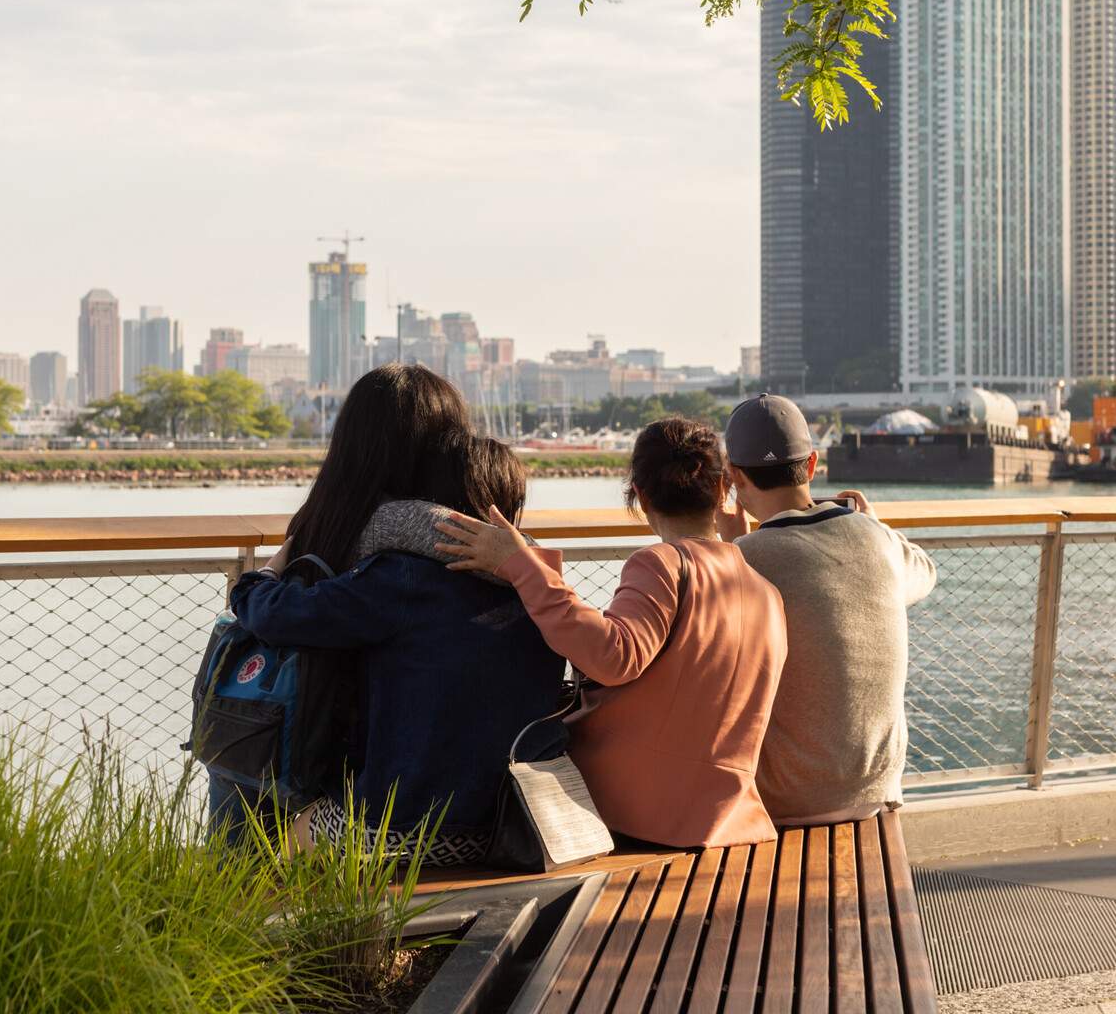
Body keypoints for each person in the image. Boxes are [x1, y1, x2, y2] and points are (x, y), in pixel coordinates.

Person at [228, 368, 563, 865]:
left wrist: (260, 577)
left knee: (268, 852)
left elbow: (275, 615)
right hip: (510, 826)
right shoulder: (540, 587)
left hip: (398, 830)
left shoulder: (400, 578)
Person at [437, 416, 787, 849]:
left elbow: (614, 656)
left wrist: (520, 563)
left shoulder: (663, 564)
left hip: (638, 814)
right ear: (721, 490)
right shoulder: (766, 592)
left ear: (639, 496)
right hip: (730, 818)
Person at [717, 394, 937, 826]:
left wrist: (730, 543)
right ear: (813, 464)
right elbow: (924, 573)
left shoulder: (745, 558)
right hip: (878, 791)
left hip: (785, 801)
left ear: (734, 479)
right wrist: (872, 524)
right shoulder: (877, 540)